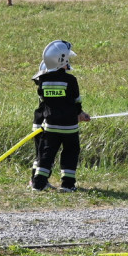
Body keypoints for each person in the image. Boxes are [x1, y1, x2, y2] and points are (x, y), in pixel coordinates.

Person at [31, 40, 91, 192]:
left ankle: (38, 184)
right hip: (69, 127)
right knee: (70, 154)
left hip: (50, 126)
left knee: (46, 155)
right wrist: (80, 114)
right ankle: (67, 185)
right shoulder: (71, 80)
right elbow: (76, 101)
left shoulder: (42, 81)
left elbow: (45, 101)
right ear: (61, 60)